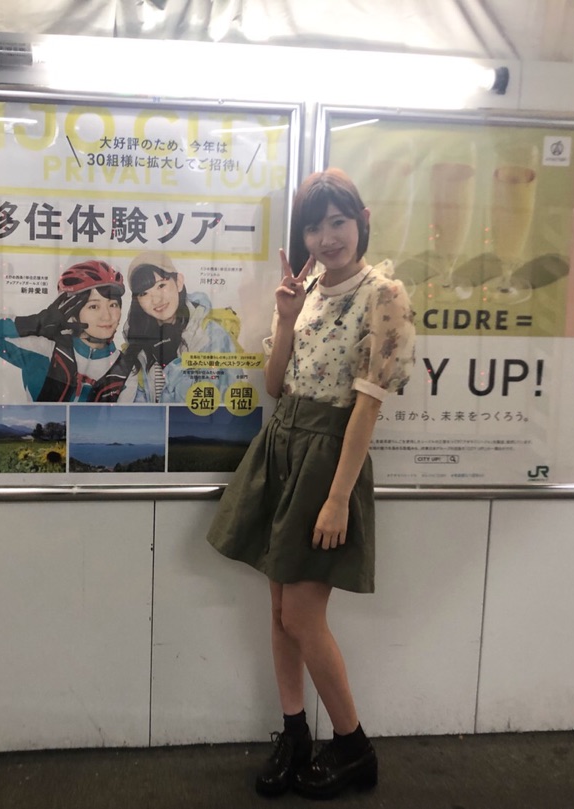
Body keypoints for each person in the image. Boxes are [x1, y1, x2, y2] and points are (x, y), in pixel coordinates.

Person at [206, 169, 416, 799]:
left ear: (362, 222)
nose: (327, 238)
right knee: (279, 610)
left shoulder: (384, 294)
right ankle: (295, 732)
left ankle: (354, 747)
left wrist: (337, 498)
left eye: (338, 222)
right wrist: (286, 317)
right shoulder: (310, 290)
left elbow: (368, 406)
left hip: (329, 457)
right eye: (314, 227)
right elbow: (275, 386)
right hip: (283, 445)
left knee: (302, 613)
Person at [0, 260, 128, 402]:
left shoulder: (127, 369)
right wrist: (33, 323)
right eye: (94, 306)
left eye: (113, 305)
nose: (107, 316)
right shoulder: (42, 349)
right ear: (72, 313)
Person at [115, 251, 239, 403]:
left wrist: (171, 363)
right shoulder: (139, 345)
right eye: (144, 293)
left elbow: (216, 403)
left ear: (178, 282)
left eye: (161, 285)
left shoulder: (211, 336)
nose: (156, 300)